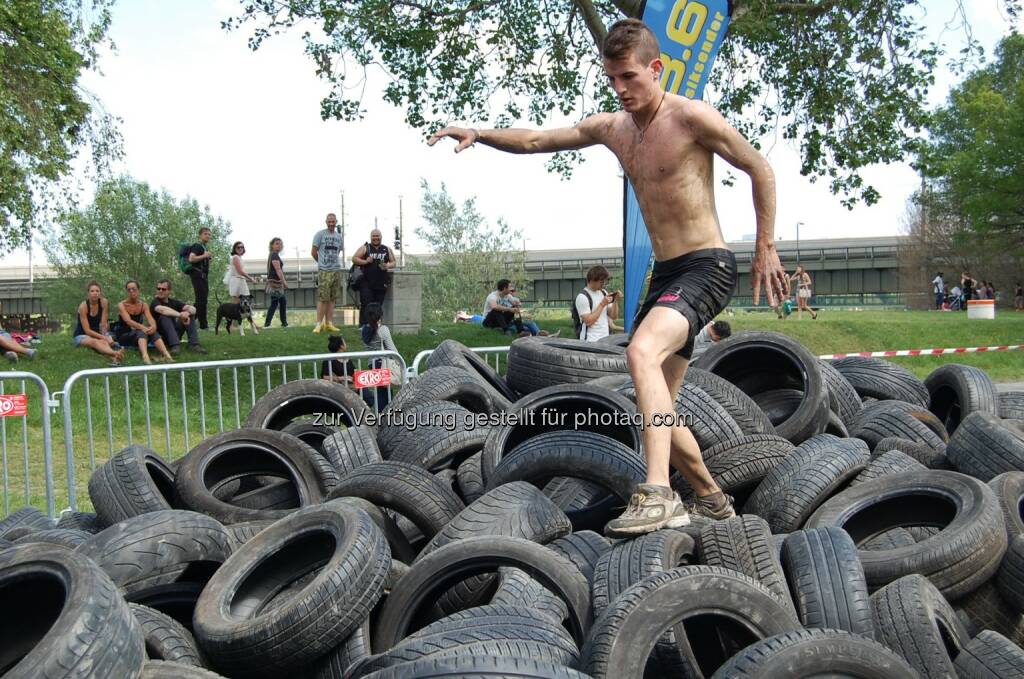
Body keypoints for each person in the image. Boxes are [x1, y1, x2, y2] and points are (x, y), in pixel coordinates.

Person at [429, 18, 789, 536]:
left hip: (707, 265)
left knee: (639, 352)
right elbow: (536, 140)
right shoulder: (614, 128)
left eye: (629, 77)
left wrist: (766, 245)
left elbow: (760, 168)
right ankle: (712, 499)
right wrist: (479, 133)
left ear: (656, 69)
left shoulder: (691, 118)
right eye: (611, 80)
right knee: (660, 403)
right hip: (667, 273)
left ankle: (660, 493)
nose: (620, 90)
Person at [117, 280, 173, 364]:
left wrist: (153, 327)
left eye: (134, 289)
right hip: (124, 336)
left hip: (138, 336)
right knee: (142, 331)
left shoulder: (143, 305)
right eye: (129, 290)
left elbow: (150, 319)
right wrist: (143, 328)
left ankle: (167, 355)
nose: (132, 291)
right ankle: (145, 356)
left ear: (138, 290)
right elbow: (128, 321)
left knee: (151, 332)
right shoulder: (122, 305)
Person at [351, 229, 396, 326]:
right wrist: (365, 261)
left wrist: (387, 266)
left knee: (378, 306)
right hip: (366, 282)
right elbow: (354, 258)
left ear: (381, 237)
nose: (376, 238)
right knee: (366, 305)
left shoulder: (387, 249)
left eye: (377, 236)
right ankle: (363, 327)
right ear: (371, 237)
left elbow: (394, 262)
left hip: (381, 283)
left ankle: (375, 327)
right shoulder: (365, 248)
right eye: (374, 236)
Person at [73, 281, 124, 365]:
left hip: (98, 332)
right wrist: (103, 338)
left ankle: (114, 357)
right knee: (95, 342)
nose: (95, 293)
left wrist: (106, 336)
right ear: (88, 293)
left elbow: (103, 324)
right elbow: (87, 331)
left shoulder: (104, 302)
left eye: (97, 291)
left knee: (103, 342)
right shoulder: (83, 306)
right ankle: (115, 353)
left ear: (100, 293)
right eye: (92, 291)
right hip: (82, 335)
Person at [150, 279, 207, 355]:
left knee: (190, 314)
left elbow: (193, 309)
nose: (160, 291)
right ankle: (175, 346)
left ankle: (193, 344)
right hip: (161, 337)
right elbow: (163, 310)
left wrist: (187, 313)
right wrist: (180, 315)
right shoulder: (155, 302)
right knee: (165, 316)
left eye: (163, 289)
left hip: (175, 333)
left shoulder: (173, 302)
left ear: (169, 291)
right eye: (158, 289)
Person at [360, 303, 396, 409]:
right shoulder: (383, 329)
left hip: (372, 364)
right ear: (380, 315)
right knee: (387, 394)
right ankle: (388, 419)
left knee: (380, 393)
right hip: (383, 364)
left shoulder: (364, 330)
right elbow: (392, 349)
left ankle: (381, 418)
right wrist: (400, 361)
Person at [312, 213, 344, 333]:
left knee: (332, 298)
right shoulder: (319, 235)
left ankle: (329, 323)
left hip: (336, 269)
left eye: (333, 222)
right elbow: (314, 252)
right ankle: (318, 324)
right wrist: (321, 263)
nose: (331, 224)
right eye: (329, 221)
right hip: (324, 271)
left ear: (336, 222)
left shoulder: (339, 237)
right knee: (322, 298)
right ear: (326, 222)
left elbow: (338, 251)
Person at [575, 265, 621, 342]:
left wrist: (615, 301)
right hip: (590, 341)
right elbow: (588, 322)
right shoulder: (582, 297)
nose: (604, 284)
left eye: (605, 281)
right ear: (592, 280)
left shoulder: (603, 292)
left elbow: (613, 316)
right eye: (601, 281)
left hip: (605, 339)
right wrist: (602, 304)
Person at [185, 227, 215, 330]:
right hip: (197, 275)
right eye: (205, 234)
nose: (208, 236)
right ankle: (202, 324)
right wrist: (204, 255)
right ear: (200, 235)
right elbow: (191, 258)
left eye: (209, 234)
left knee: (202, 301)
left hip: (203, 277)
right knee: (201, 300)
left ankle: (188, 319)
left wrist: (207, 257)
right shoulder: (197, 246)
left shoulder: (204, 247)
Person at [265, 237, 289, 328]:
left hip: (274, 282)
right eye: (277, 243)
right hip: (275, 283)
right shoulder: (274, 255)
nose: (279, 245)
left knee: (278, 303)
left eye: (280, 244)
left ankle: (281, 323)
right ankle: (281, 323)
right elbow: (278, 269)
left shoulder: (272, 254)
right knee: (279, 302)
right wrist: (284, 282)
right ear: (272, 245)